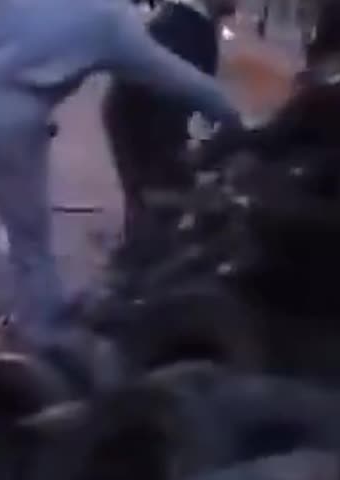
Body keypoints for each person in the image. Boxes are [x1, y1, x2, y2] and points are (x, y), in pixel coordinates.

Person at [0, 0, 243, 368]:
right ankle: (41, 338)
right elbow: (172, 75)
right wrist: (228, 114)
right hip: (17, 119)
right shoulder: (108, 19)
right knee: (30, 243)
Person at [104, 0, 238, 280]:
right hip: (144, 128)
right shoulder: (186, 29)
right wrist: (178, 155)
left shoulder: (185, 22)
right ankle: (130, 287)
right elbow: (167, 97)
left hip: (132, 120)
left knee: (151, 206)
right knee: (159, 206)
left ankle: (131, 277)